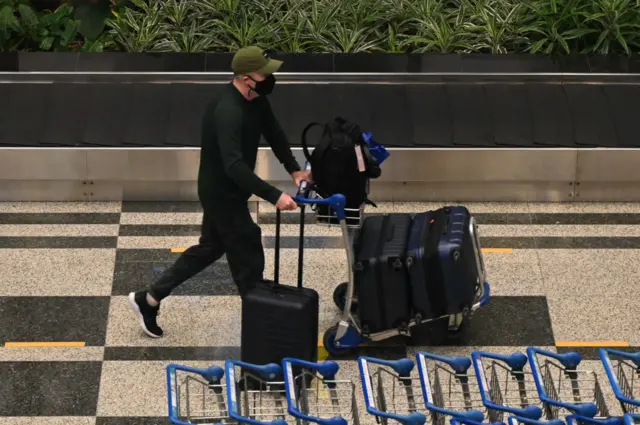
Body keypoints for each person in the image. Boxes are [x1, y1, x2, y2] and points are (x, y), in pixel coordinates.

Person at [128, 46, 311, 338]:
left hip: (232, 191)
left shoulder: (256, 99)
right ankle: (262, 321)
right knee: (248, 247)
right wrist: (274, 195)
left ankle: (148, 299)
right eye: (265, 73)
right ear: (246, 77)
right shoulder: (228, 110)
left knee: (210, 247)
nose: (270, 78)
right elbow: (234, 166)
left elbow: (274, 133)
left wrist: (294, 169)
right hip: (220, 192)